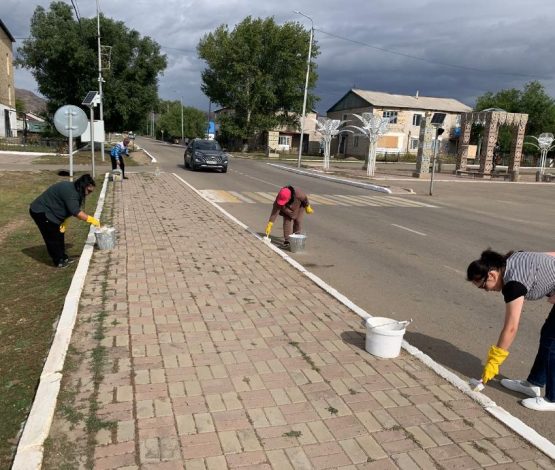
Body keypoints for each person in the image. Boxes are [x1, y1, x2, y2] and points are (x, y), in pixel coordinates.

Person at [467, 249, 555, 411]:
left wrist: (495, 360)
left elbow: (511, 327)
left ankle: (553, 399)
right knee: (548, 336)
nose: (488, 291)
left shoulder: (513, 285)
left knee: (553, 344)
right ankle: (534, 383)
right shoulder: (513, 257)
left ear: (492, 275)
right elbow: (550, 255)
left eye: (484, 287)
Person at [29, 174, 101, 268]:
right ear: (83, 186)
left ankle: (63, 257)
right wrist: (93, 220)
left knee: (59, 233)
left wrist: (64, 220)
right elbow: (76, 212)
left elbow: (68, 208)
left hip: (52, 212)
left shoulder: (75, 190)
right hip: (41, 211)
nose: (88, 193)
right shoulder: (71, 193)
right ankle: (58, 261)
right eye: (89, 191)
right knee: (52, 236)